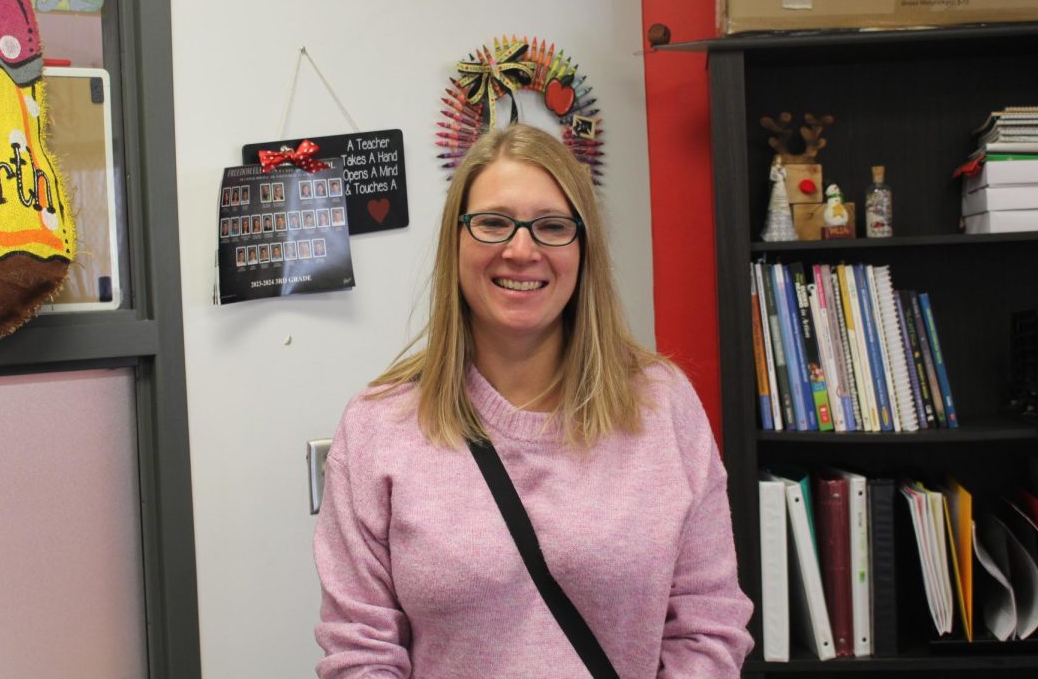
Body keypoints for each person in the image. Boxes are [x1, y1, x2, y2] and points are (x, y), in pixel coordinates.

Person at [314, 124, 753, 678]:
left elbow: (708, 625)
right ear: (456, 242)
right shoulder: (379, 425)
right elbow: (361, 651)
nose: (521, 251)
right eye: (493, 223)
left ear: (583, 247)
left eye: (551, 226)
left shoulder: (663, 406)